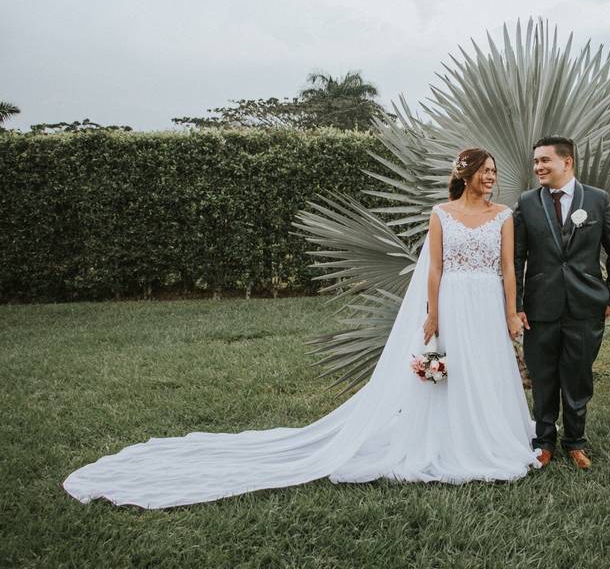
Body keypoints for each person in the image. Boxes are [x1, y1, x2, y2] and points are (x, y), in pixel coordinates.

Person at [63, 147, 540, 509]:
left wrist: (509, 312)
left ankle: (492, 439)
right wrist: (432, 313)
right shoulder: (441, 214)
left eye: (494, 173)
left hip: (485, 302)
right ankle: (448, 440)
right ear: (466, 175)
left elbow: (506, 268)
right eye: (486, 172)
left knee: (485, 369)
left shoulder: (504, 216)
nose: (492, 179)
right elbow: (433, 269)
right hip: (453, 300)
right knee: (448, 372)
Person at [513, 135, 610, 470]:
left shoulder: (597, 199)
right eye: (535, 162)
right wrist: (518, 303)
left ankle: (575, 442)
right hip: (540, 307)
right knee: (543, 377)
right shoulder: (528, 201)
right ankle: (543, 442)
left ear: (567, 162)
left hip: (586, 305)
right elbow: (517, 257)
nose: (538, 167)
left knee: (578, 377)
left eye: (544, 161)